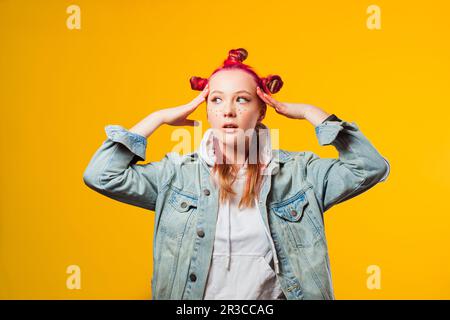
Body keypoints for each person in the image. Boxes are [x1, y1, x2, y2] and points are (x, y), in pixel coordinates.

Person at [83, 48, 390, 300]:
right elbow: (101, 175)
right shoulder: (176, 176)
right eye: (216, 100)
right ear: (205, 109)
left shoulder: (300, 174)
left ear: (262, 109)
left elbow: (370, 167)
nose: (227, 110)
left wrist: (313, 114)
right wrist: (158, 118)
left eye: (242, 99)